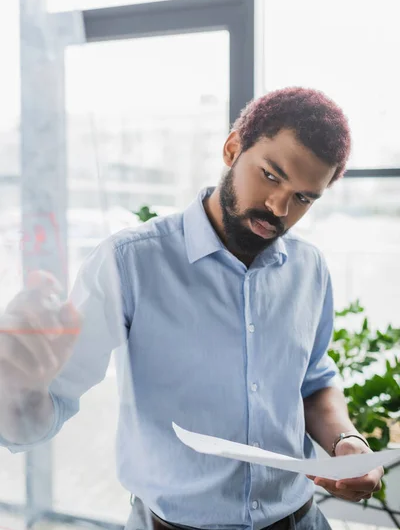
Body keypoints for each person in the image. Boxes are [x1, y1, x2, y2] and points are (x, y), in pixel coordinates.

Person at [0, 87, 383, 530]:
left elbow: (314, 380)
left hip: (300, 520)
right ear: (233, 147)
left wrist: (346, 441)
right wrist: (15, 389)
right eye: (272, 176)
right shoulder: (129, 263)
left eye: (303, 198)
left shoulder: (309, 268)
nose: (279, 207)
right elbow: (48, 402)